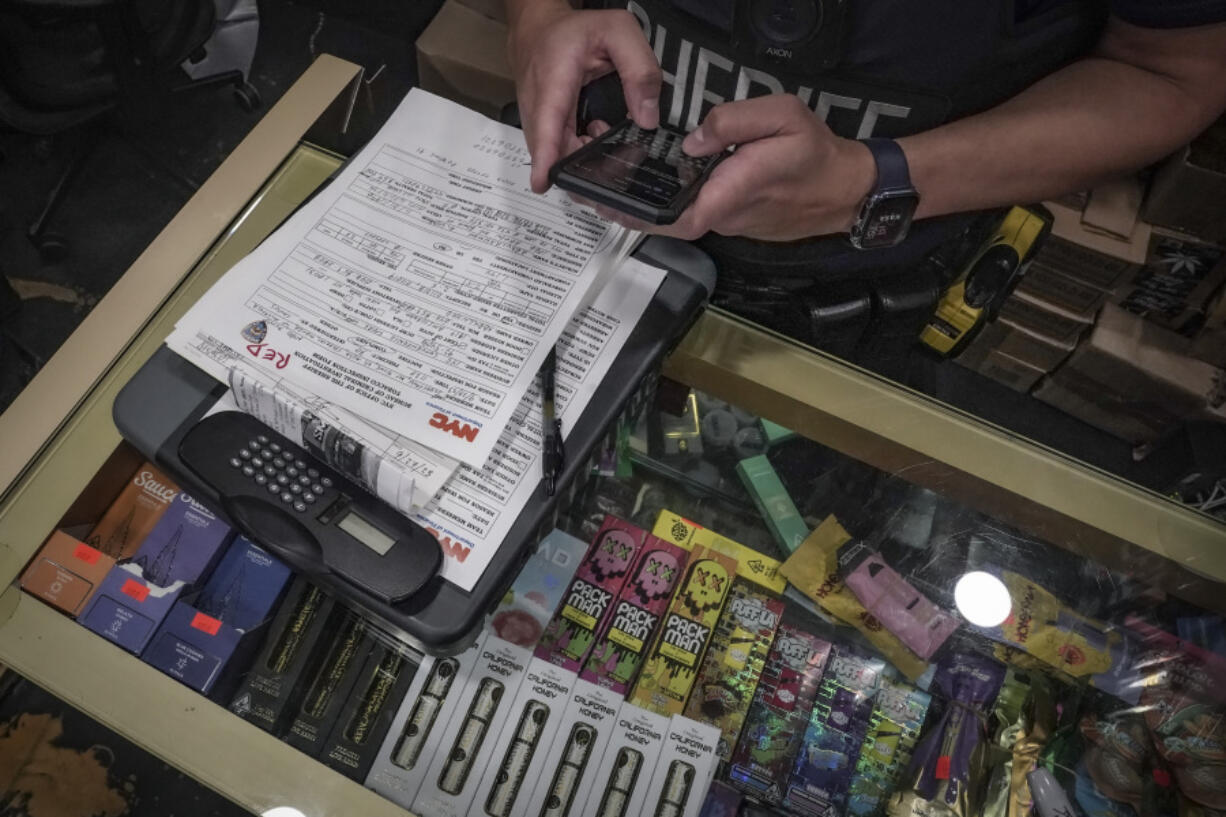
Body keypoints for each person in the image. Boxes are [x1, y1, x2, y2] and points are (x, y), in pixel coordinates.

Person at [504, 0, 1226, 336]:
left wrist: (871, 182)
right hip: (573, 199)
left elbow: (1170, 72)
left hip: (855, 281)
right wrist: (538, 22)